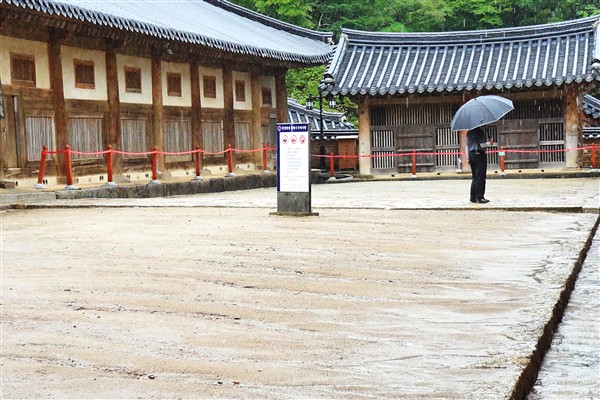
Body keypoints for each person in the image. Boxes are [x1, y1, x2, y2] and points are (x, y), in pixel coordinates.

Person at [467, 126, 493, 203]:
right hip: (479, 154)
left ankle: (473, 196)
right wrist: (489, 143)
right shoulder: (479, 131)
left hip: (471, 154)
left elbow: (467, 146)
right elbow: (481, 145)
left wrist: (468, 157)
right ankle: (479, 197)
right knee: (480, 176)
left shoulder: (469, 132)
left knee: (475, 176)